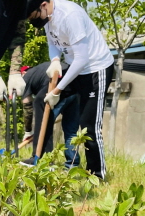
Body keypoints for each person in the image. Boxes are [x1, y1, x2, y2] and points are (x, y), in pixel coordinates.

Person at [26, 0, 114, 179]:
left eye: (34, 16)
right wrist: (55, 61)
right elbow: (53, 44)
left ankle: (97, 175)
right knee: (41, 101)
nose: (34, 21)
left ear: (43, 4)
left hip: (95, 69)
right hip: (74, 67)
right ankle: (41, 159)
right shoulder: (47, 17)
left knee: (89, 126)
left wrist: (58, 90)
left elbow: (82, 58)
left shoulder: (69, 15)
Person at [19, 62, 81, 167]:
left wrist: (28, 131)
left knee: (42, 115)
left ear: (23, 72)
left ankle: (42, 159)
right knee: (71, 131)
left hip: (59, 86)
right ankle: (72, 165)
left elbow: (27, 107)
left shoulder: (25, 78)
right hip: (76, 87)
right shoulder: (42, 69)